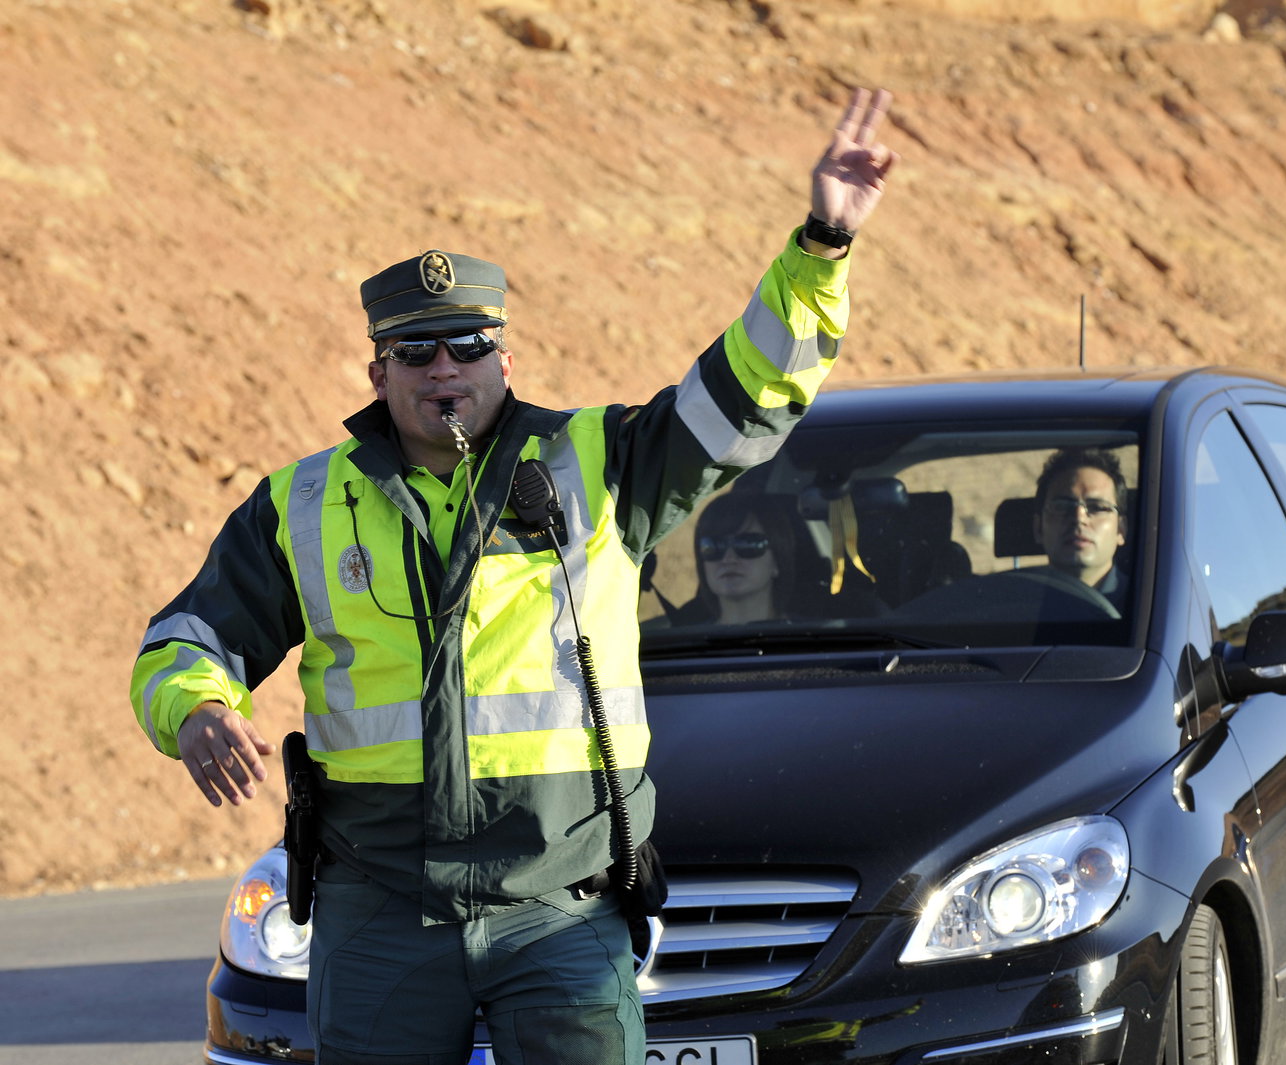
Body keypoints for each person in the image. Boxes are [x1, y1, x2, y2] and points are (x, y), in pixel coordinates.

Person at [129, 88, 897, 1065]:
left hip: (559, 912)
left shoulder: (599, 461)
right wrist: (194, 708)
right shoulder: (303, 504)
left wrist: (820, 243)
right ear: (377, 372)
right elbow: (186, 637)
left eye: (469, 343)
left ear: (504, 354)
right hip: (379, 912)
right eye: (416, 348)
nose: (444, 365)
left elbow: (747, 400)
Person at [1033, 446, 1131, 613]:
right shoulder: (1011, 606)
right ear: (1038, 528)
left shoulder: (1150, 606)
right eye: (1062, 507)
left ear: (1121, 530)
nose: (1079, 518)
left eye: (1098, 507)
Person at [681, 493, 800, 625]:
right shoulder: (683, 642)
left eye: (748, 544)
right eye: (713, 546)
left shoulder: (812, 639)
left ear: (777, 561)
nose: (728, 559)